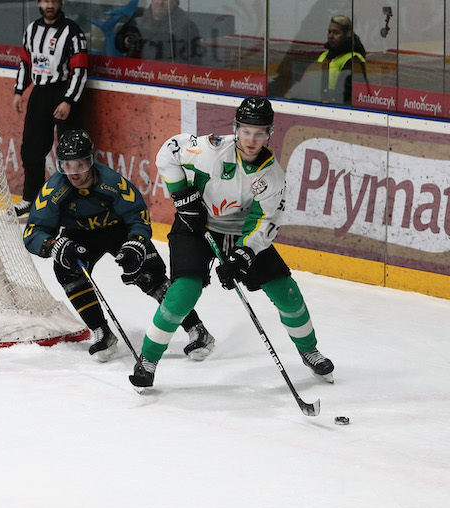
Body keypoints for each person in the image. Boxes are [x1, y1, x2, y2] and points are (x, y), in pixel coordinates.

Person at [129, 97, 334, 389]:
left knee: (286, 292)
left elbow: (266, 221)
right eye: (246, 130)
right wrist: (182, 197)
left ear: (269, 133)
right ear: (236, 128)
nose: (252, 139)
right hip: (195, 225)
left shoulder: (272, 176)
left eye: (260, 132)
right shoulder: (211, 151)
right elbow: (168, 152)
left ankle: (309, 350)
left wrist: (242, 255)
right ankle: (148, 360)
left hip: (240, 232)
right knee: (181, 294)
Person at [23, 129, 214, 362]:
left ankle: (197, 329)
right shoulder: (53, 191)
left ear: (90, 161)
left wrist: (136, 243)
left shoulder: (112, 182)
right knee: (66, 270)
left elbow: (138, 216)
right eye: (67, 165)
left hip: (118, 231)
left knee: (150, 275)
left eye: (80, 165)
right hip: (79, 237)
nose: (74, 173)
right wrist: (54, 245)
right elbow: (33, 233)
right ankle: (102, 331)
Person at [11, 0, 88, 217]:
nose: (50, 5)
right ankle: (30, 199)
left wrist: (68, 100)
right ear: (39, 3)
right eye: (45, 1)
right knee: (31, 150)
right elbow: (26, 63)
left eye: (54, 1)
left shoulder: (73, 31)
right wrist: (19, 91)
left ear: (60, 3)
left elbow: (80, 69)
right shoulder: (31, 29)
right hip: (39, 94)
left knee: (72, 152)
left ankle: (74, 203)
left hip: (64, 93)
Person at [115, 0, 201, 63]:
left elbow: (193, 62)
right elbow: (119, 40)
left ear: (176, 2)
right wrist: (126, 41)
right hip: (136, 74)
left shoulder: (186, 26)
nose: (160, 2)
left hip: (166, 78)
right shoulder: (139, 17)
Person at [317, 15, 367, 105]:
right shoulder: (324, 56)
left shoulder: (354, 60)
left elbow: (347, 96)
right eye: (329, 32)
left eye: (336, 32)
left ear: (347, 34)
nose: (331, 36)